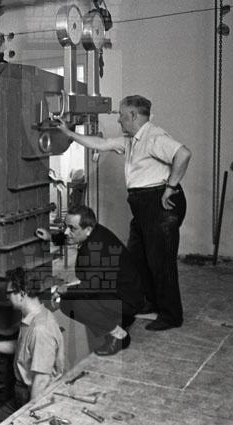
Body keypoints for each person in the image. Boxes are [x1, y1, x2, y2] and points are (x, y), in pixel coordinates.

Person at [54, 95, 191, 331]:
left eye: (121, 114)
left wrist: (171, 187)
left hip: (158, 203)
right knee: (139, 258)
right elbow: (100, 144)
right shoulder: (131, 140)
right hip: (143, 205)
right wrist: (68, 133)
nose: (118, 119)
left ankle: (171, 315)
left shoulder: (153, 136)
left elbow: (183, 154)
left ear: (133, 115)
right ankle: (149, 303)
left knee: (161, 263)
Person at [36, 205, 145, 355]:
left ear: (87, 229)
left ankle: (119, 336)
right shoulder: (95, 231)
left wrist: (63, 290)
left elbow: (90, 288)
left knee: (72, 304)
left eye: (72, 228)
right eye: (66, 226)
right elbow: (74, 235)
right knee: (73, 295)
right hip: (124, 292)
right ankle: (119, 320)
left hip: (126, 300)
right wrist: (52, 237)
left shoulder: (94, 250)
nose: (66, 232)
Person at [0, 267, 64, 411]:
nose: (7, 297)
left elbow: (41, 380)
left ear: (22, 294)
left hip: (36, 395)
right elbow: (19, 347)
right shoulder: (33, 318)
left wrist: (29, 414)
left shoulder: (40, 329)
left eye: (9, 293)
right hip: (23, 392)